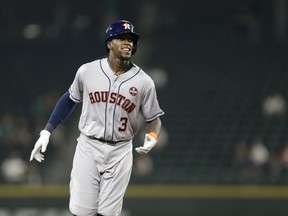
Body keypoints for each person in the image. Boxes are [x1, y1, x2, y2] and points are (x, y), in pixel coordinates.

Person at [30, 20, 164, 216]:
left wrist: (152, 136)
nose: (128, 43)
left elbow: (154, 118)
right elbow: (69, 99)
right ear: (109, 43)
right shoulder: (88, 71)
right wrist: (47, 130)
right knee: (81, 212)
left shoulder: (144, 82)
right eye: (122, 38)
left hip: (120, 150)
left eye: (131, 39)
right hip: (89, 146)